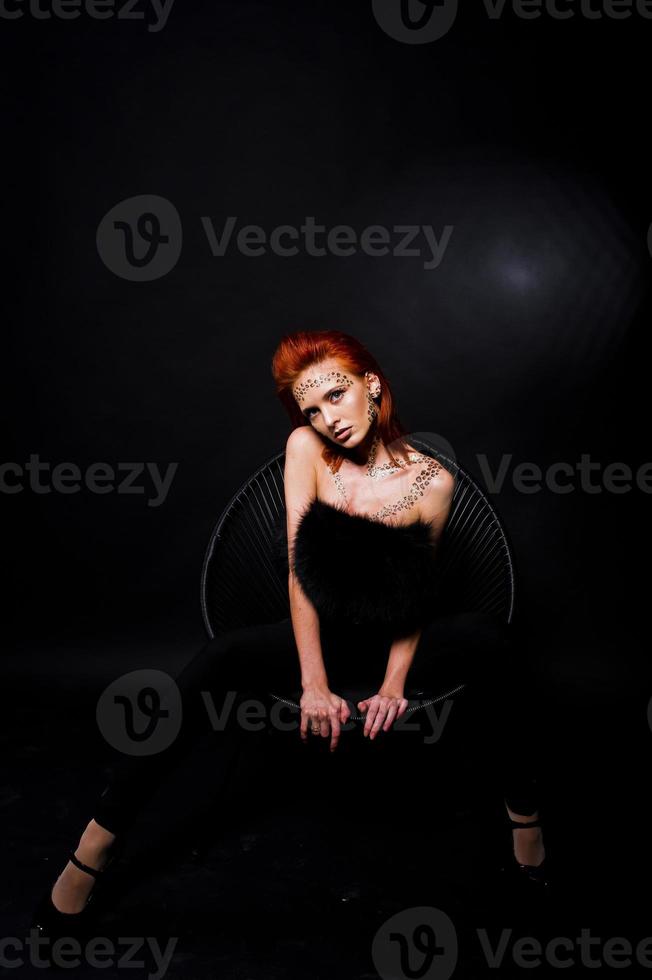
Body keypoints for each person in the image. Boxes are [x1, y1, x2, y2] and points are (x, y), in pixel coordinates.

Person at [32, 329, 548, 943]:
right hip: (322, 637)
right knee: (220, 657)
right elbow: (299, 576)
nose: (328, 417)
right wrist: (314, 683)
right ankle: (95, 845)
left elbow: (419, 597)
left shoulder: (432, 481)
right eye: (313, 407)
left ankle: (527, 823)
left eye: (337, 395)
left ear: (371, 385)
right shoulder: (306, 449)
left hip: (394, 635)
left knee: (494, 640)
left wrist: (391, 685)